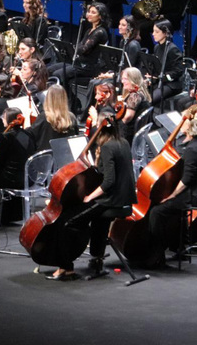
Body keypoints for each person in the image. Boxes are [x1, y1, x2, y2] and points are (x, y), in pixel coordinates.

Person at [47, 110, 136, 280]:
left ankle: (66, 268)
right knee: (93, 220)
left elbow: (109, 182)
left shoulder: (108, 147)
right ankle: (96, 260)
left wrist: (89, 197)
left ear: (101, 126)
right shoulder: (122, 142)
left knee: (67, 221)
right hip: (124, 199)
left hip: (110, 200)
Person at [146, 111, 197, 267]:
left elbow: (187, 179)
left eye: (183, 122)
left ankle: (157, 255)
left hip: (196, 195)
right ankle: (180, 247)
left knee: (157, 211)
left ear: (190, 126)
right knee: (175, 209)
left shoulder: (191, 149)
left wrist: (172, 194)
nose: (179, 124)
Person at [47, 2, 110, 110]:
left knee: (58, 74)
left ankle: (71, 102)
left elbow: (84, 49)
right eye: (89, 11)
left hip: (88, 66)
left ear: (100, 16)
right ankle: (71, 100)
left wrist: (73, 47)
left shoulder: (100, 32)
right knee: (50, 70)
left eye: (93, 12)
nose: (89, 14)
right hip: (79, 63)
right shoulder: (89, 30)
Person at [25, 84, 78, 152]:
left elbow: (28, 136)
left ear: (48, 99)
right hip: (65, 158)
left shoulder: (44, 117)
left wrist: (27, 118)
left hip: (45, 159)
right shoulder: (71, 117)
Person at [147, 20, 184, 106]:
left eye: (156, 32)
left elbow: (178, 71)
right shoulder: (157, 47)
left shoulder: (172, 49)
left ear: (165, 33)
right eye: (153, 31)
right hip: (159, 82)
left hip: (171, 84)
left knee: (150, 100)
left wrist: (163, 77)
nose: (153, 34)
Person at [118, 67, 151, 144]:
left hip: (128, 134)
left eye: (125, 79)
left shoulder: (135, 96)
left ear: (133, 80)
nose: (122, 81)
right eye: (122, 79)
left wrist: (116, 126)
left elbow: (127, 117)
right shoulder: (140, 92)